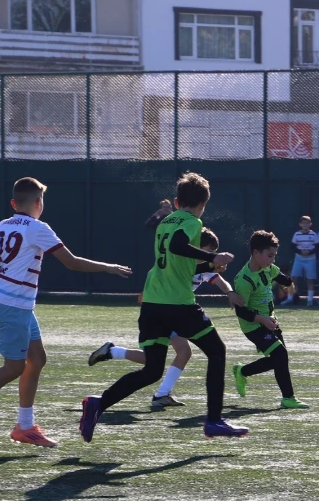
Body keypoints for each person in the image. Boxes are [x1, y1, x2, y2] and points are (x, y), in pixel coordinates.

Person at [0, 177, 132, 448]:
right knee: (13, 367)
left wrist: (7, 260)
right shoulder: (39, 228)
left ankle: (25, 427)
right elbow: (72, 263)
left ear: (14, 203)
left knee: (37, 359)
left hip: (13, 302)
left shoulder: (1, 225)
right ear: (39, 203)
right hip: (13, 304)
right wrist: (108, 267)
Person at [79, 172, 250, 441]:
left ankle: (98, 403)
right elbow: (178, 245)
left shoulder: (165, 221)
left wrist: (208, 265)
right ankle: (214, 420)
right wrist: (212, 255)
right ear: (203, 203)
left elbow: (175, 258)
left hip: (152, 304)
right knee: (217, 352)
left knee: (152, 370)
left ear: (177, 200)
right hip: (177, 304)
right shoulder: (193, 221)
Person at [87, 227, 244, 410]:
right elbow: (153, 274)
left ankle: (114, 355)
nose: (210, 256)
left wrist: (230, 292)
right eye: (208, 252)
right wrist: (147, 293)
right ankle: (156, 393)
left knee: (160, 361)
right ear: (195, 247)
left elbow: (219, 280)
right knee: (167, 359)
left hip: (176, 313)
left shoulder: (202, 266)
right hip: (164, 312)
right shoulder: (177, 262)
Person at [231, 231, 309, 409]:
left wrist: (289, 285)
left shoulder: (267, 268)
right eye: (270, 255)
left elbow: (283, 279)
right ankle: (288, 398)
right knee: (280, 355)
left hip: (270, 321)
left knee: (279, 358)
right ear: (256, 253)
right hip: (253, 326)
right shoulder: (244, 280)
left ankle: (242, 371)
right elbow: (241, 312)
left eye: (274, 255)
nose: (273, 260)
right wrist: (262, 320)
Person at [286, 216, 319, 306]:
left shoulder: (314, 235)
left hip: (311, 259)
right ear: (300, 224)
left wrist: (309, 252)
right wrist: (300, 251)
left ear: (310, 224)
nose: (305, 225)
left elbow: (317, 247)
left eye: (307, 223)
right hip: (299, 259)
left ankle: (310, 300)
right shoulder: (297, 234)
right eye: (303, 223)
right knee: (293, 279)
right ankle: (290, 298)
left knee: (310, 280)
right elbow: (293, 246)